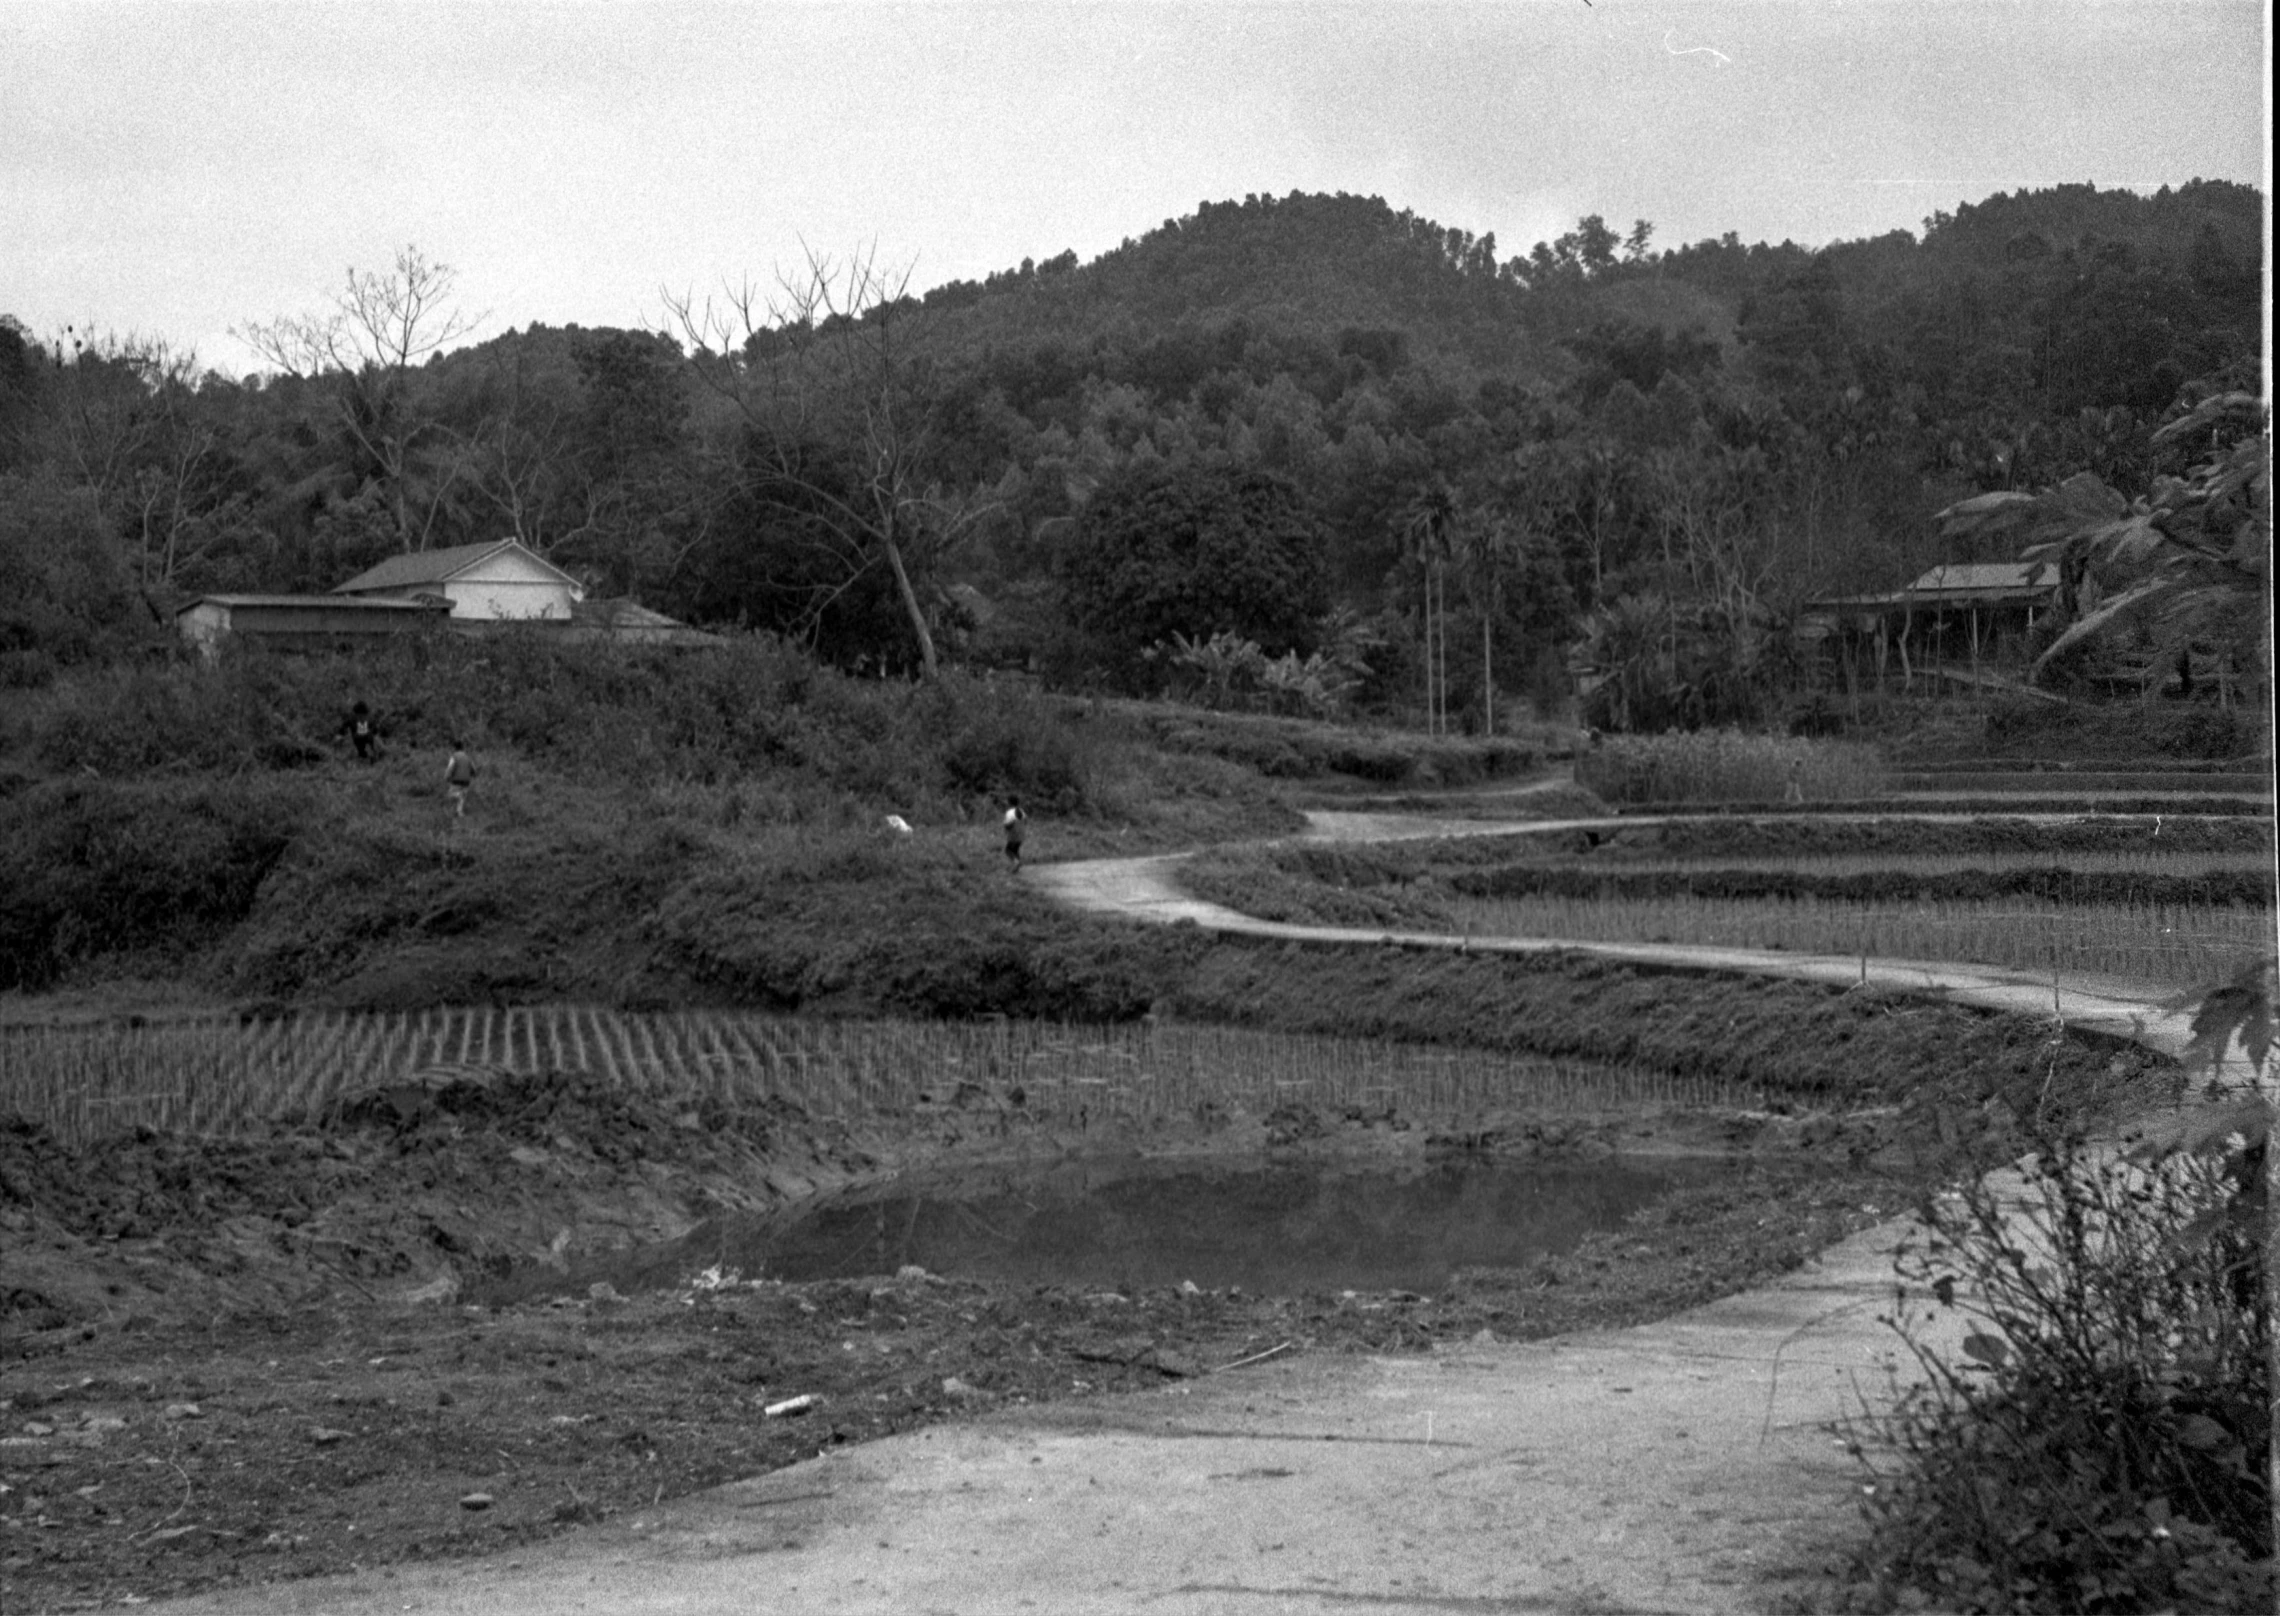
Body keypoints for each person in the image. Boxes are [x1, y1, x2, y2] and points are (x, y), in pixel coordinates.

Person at [444, 739, 475, 819]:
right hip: (466, 781)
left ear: (454, 748)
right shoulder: (468, 757)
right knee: (462, 799)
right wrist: (472, 775)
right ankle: (460, 813)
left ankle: (458, 795)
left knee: (450, 795)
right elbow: (473, 769)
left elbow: (450, 768)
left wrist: (447, 777)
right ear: (462, 747)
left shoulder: (454, 757)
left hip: (456, 780)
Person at [1002, 795, 1027, 871]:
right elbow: (1025, 822)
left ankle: (1016, 862)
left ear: (1009, 803)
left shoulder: (1009, 812)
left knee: (1008, 850)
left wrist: (1005, 827)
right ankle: (1016, 867)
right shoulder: (1022, 812)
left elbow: (1007, 824)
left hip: (1013, 834)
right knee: (1015, 850)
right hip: (1022, 834)